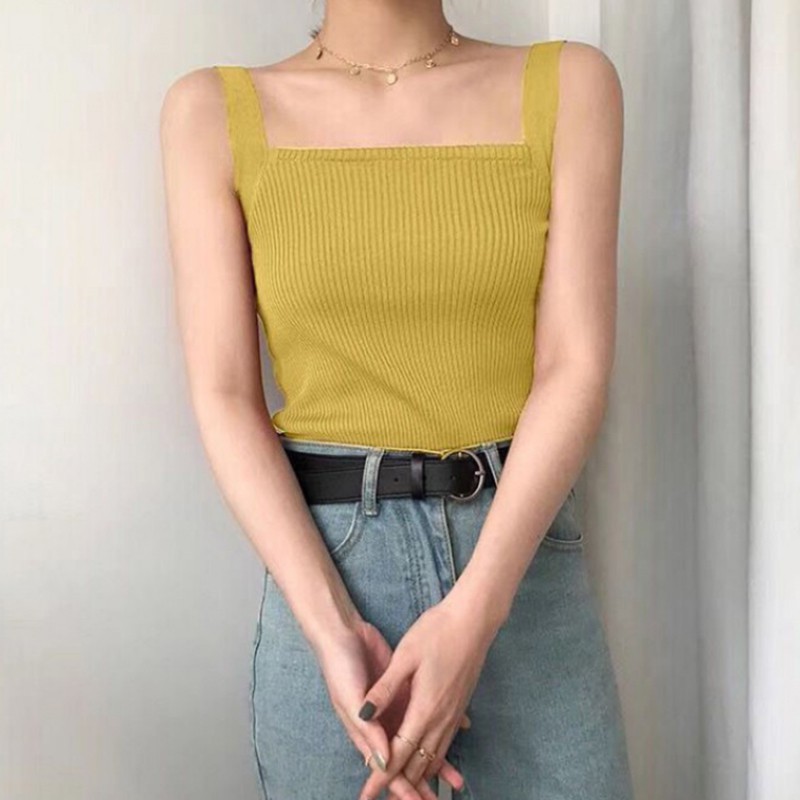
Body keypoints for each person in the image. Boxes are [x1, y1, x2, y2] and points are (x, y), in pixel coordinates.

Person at [159, 1, 631, 798]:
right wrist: (333, 632)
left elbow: (574, 367)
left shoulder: (572, 85)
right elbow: (225, 394)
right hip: (329, 582)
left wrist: (476, 614)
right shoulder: (210, 112)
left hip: (519, 570)